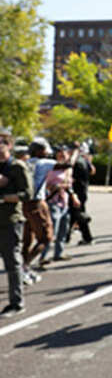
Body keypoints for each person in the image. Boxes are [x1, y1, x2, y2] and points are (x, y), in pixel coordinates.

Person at [0, 128, 33, 317]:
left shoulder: (16, 166)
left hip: (10, 221)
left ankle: (16, 303)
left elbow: (27, 194)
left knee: (12, 264)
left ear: (9, 146)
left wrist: (5, 197)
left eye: (1, 143)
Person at [22, 139, 55, 281]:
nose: (47, 152)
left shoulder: (26, 162)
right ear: (38, 151)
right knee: (45, 237)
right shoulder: (42, 162)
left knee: (27, 239)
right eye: (45, 150)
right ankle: (24, 266)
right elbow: (67, 165)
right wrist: (77, 152)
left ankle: (25, 271)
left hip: (24, 204)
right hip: (37, 203)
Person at [41, 146, 75, 263]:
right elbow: (46, 185)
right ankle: (43, 256)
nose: (63, 156)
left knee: (63, 230)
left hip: (64, 202)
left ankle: (58, 253)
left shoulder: (68, 170)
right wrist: (59, 186)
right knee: (51, 231)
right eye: (60, 154)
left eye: (65, 154)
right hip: (53, 202)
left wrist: (73, 196)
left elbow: (70, 186)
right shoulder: (52, 168)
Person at [66, 142, 95, 245]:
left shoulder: (76, 161)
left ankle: (87, 238)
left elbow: (69, 167)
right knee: (74, 214)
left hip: (76, 192)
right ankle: (67, 236)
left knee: (77, 214)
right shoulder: (84, 160)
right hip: (83, 191)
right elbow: (92, 171)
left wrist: (74, 156)